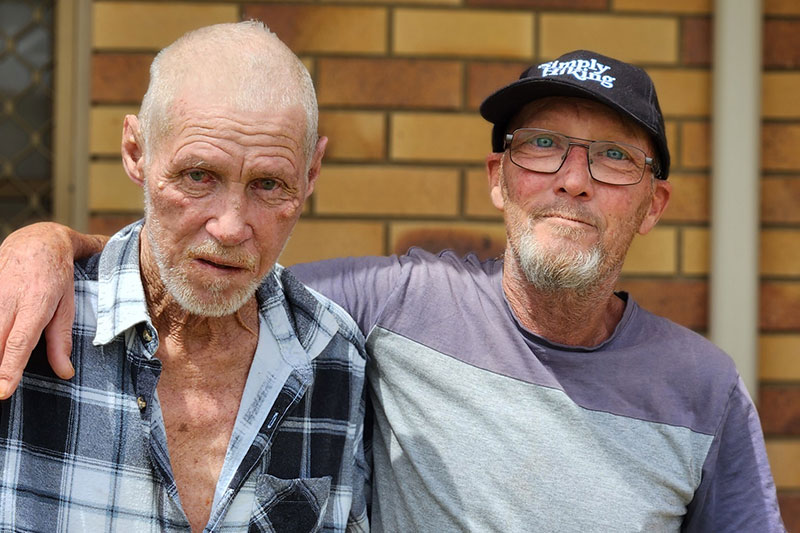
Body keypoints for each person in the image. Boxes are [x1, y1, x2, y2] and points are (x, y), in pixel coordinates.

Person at [0, 47, 785, 531]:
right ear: (497, 180)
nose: (572, 181)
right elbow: (212, 269)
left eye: (614, 158)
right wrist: (49, 247)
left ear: (654, 204)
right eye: (542, 146)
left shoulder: (703, 389)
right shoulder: (391, 308)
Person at [0, 22, 369, 532]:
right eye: (198, 176)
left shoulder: (333, 355)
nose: (231, 227)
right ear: (135, 152)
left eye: (268, 184)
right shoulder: (25, 322)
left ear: (310, 176)